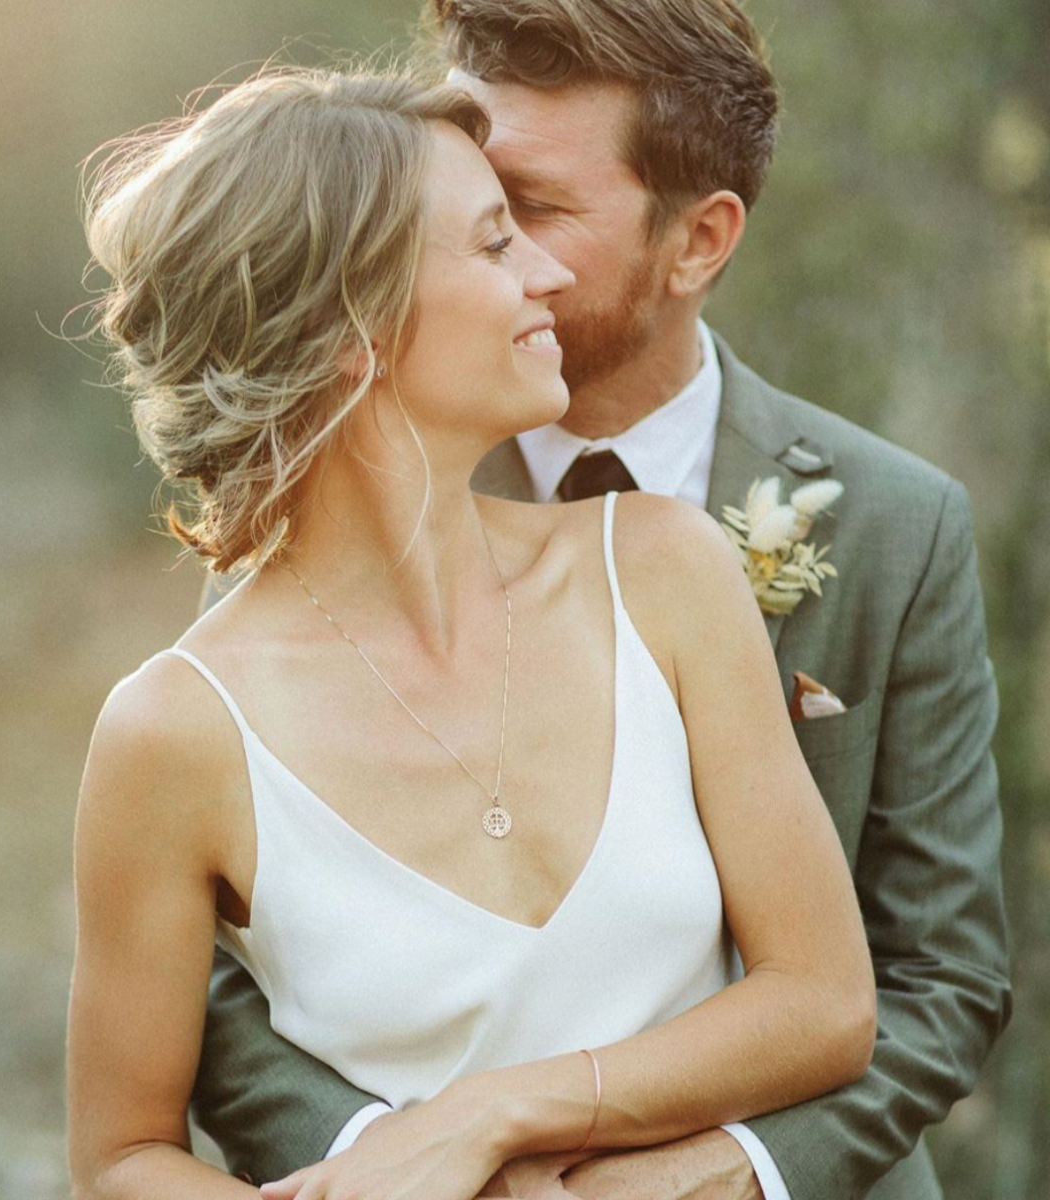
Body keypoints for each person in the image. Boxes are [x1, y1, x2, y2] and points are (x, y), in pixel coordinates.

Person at [189, 4, 1013, 1200]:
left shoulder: (897, 526)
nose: (498, 247)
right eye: (463, 203)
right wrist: (405, 1163)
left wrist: (727, 1172)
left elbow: (941, 976)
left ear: (697, 243)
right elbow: (212, 960)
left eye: (528, 207)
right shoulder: (321, 512)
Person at [67, 65, 877, 1200]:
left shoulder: (663, 570)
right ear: (351, 329)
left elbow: (826, 1002)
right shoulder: (172, 733)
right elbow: (120, 1158)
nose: (550, 272)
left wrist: (489, 1116)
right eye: (497, 243)